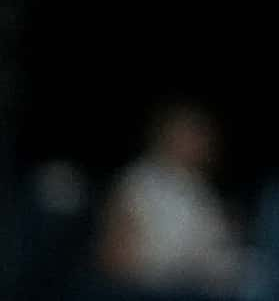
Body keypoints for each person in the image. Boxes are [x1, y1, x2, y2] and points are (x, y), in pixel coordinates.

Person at [95, 101, 249, 295]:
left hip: (200, 282)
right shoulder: (139, 180)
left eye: (202, 135)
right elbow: (115, 258)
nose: (200, 142)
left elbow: (217, 250)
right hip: (151, 287)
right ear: (167, 135)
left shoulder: (201, 191)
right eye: (191, 133)